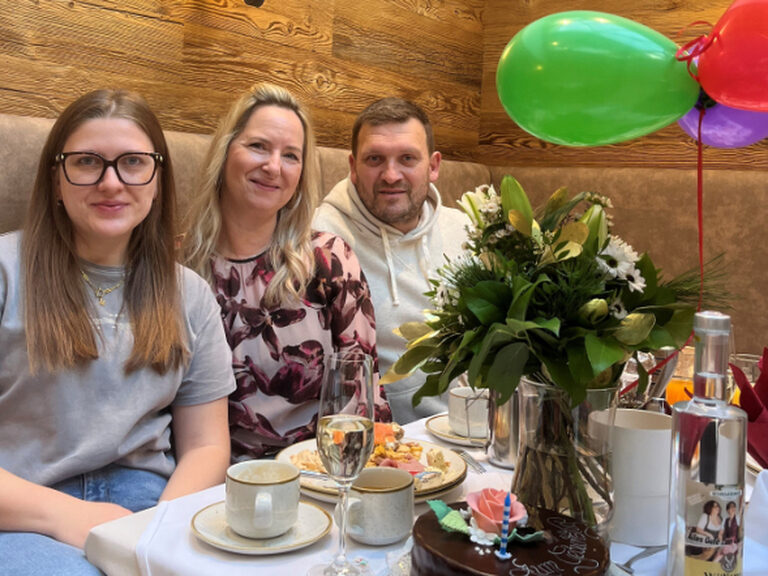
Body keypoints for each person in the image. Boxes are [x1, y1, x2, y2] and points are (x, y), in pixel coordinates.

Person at [0, 90, 235, 575]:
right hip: (23, 509)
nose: (112, 183)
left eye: (133, 162)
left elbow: (207, 446)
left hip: (156, 501)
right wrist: (71, 516)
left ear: (157, 179)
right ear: (56, 179)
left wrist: (162, 529)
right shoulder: (6, 271)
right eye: (87, 162)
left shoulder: (189, 294)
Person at [183, 83, 391, 461]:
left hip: (320, 477)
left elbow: (363, 397)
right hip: (210, 485)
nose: (273, 167)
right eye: (258, 146)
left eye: (291, 155)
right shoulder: (178, 267)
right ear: (225, 152)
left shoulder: (328, 260)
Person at [313, 97, 470, 423]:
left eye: (407, 158)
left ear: (434, 166)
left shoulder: (468, 230)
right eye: (375, 159)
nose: (391, 175)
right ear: (353, 167)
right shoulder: (320, 241)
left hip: (472, 433)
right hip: (385, 444)